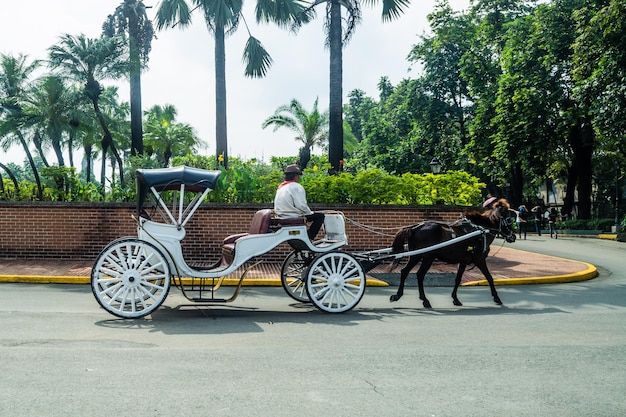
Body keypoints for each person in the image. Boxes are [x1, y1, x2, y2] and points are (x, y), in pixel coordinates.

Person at [274, 164, 325, 240]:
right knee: (320, 216)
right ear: (295, 176)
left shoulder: (281, 187)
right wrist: (310, 213)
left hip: (281, 215)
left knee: (314, 216)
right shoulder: (296, 187)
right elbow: (301, 206)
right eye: (298, 175)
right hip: (292, 216)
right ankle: (309, 237)